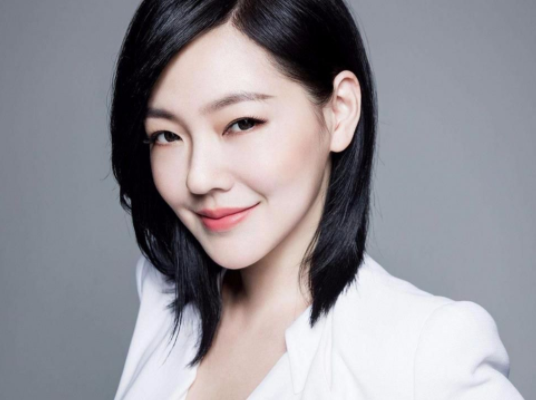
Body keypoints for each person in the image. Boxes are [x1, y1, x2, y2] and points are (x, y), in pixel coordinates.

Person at [109, 0, 525, 399]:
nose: (199, 177)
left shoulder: (426, 354)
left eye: (242, 123)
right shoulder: (161, 298)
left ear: (339, 111)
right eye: (166, 135)